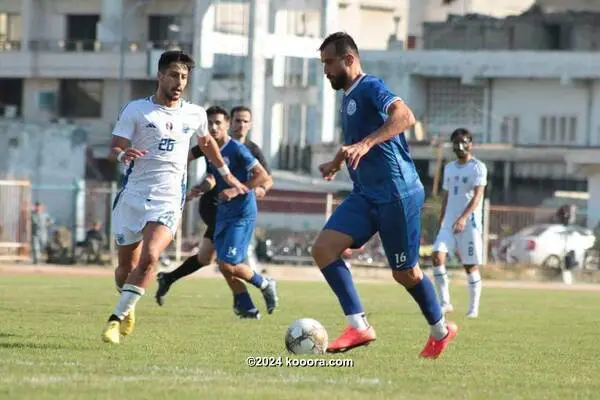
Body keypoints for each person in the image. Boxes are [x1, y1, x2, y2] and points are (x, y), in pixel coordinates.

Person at [313, 32, 457, 358]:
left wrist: (366, 143)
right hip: (366, 194)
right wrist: (337, 160)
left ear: (349, 59)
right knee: (323, 249)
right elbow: (355, 141)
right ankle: (359, 326)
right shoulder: (348, 96)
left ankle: (441, 330)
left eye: (329, 63)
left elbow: (405, 116)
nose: (326, 71)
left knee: (404, 273)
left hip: (397, 193)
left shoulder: (370, 86)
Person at [101, 50, 248, 344]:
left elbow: (207, 143)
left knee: (151, 257)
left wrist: (227, 175)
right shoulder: (136, 110)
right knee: (125, 269)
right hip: (133, 196)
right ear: (160, 76)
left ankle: (114, 320)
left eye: (184, 77)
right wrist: (122, 155)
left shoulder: (194, 113)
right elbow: (115, 147)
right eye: (174, 75)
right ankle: (127, 306)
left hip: (168, 198)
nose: (179, 82)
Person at [155, 106, 277, 317]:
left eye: (218, 123)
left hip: (240, 213)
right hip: (221, 211)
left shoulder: (243, 149)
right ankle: (247, 306)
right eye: (209, 123)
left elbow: (264, 176)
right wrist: (196, 187)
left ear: (227, 124)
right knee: (219, 262)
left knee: (225, 262)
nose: (212, 127)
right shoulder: (208, 147)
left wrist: (243, 189)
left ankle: (263, 285)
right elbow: (206, 172)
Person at [431, 128, 487, 318]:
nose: (460, 146)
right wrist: (442, 220)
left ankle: (473, 308)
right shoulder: (449, 168)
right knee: (437, 257)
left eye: (464, 141)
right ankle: (445, 302)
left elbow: (478, 196)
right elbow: (447, 195)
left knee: (469, 266)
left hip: (469, 224)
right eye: (456, 142)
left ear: (471, 144)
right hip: (448, 223)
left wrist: (463, 217)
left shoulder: (478, 167)